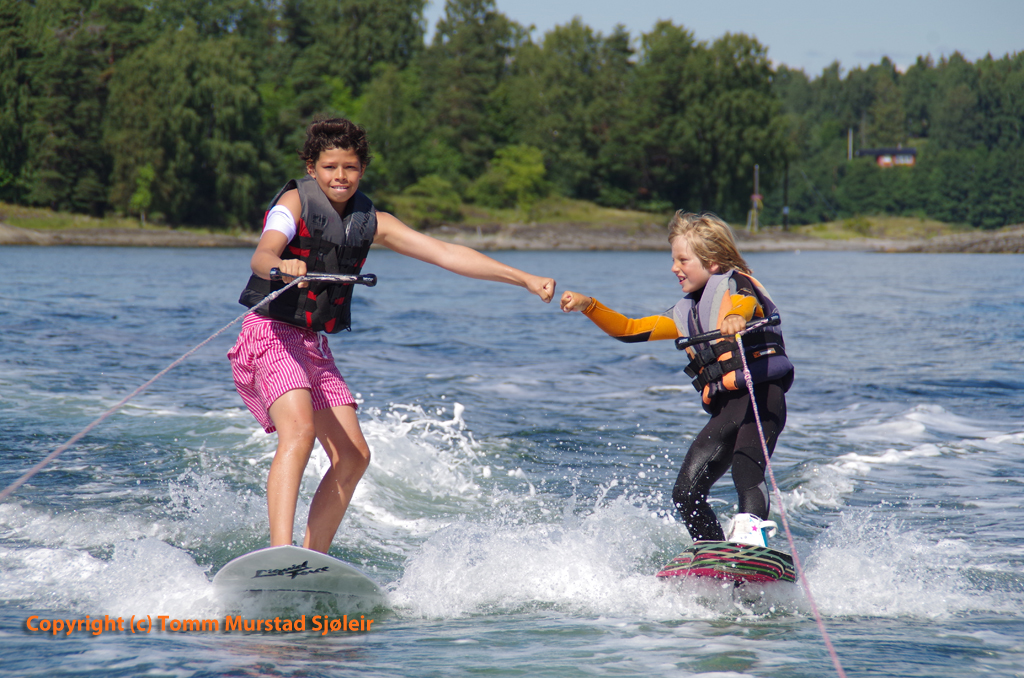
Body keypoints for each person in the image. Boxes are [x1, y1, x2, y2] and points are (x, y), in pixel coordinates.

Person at [228, 117, 555, 553]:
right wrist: (279, 263)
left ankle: (311, 558)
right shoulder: (294, 203)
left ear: (362, 169)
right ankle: (279, 552)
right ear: (311, 168)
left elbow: (446, 253)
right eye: (329, 167)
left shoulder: (372, 221)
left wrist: (524, 278)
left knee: (354, 456)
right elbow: (263, 251)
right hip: (270, 333)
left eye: (350, 167)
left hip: (311, 344)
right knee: (300, 432)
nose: (340, 176)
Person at [560, 211, 793, 548]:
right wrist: (588, 305)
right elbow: (629, 329)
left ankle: (752, 544)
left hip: (762, 399)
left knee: (745, 469)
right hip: (727, 409)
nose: (674, 268)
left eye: (683, 260)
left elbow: (746, 304)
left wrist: (732, 317)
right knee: (685, 492)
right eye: (674, 260)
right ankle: (709, 552)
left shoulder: (737, 287)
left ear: (712, 262)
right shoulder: (685, 313)